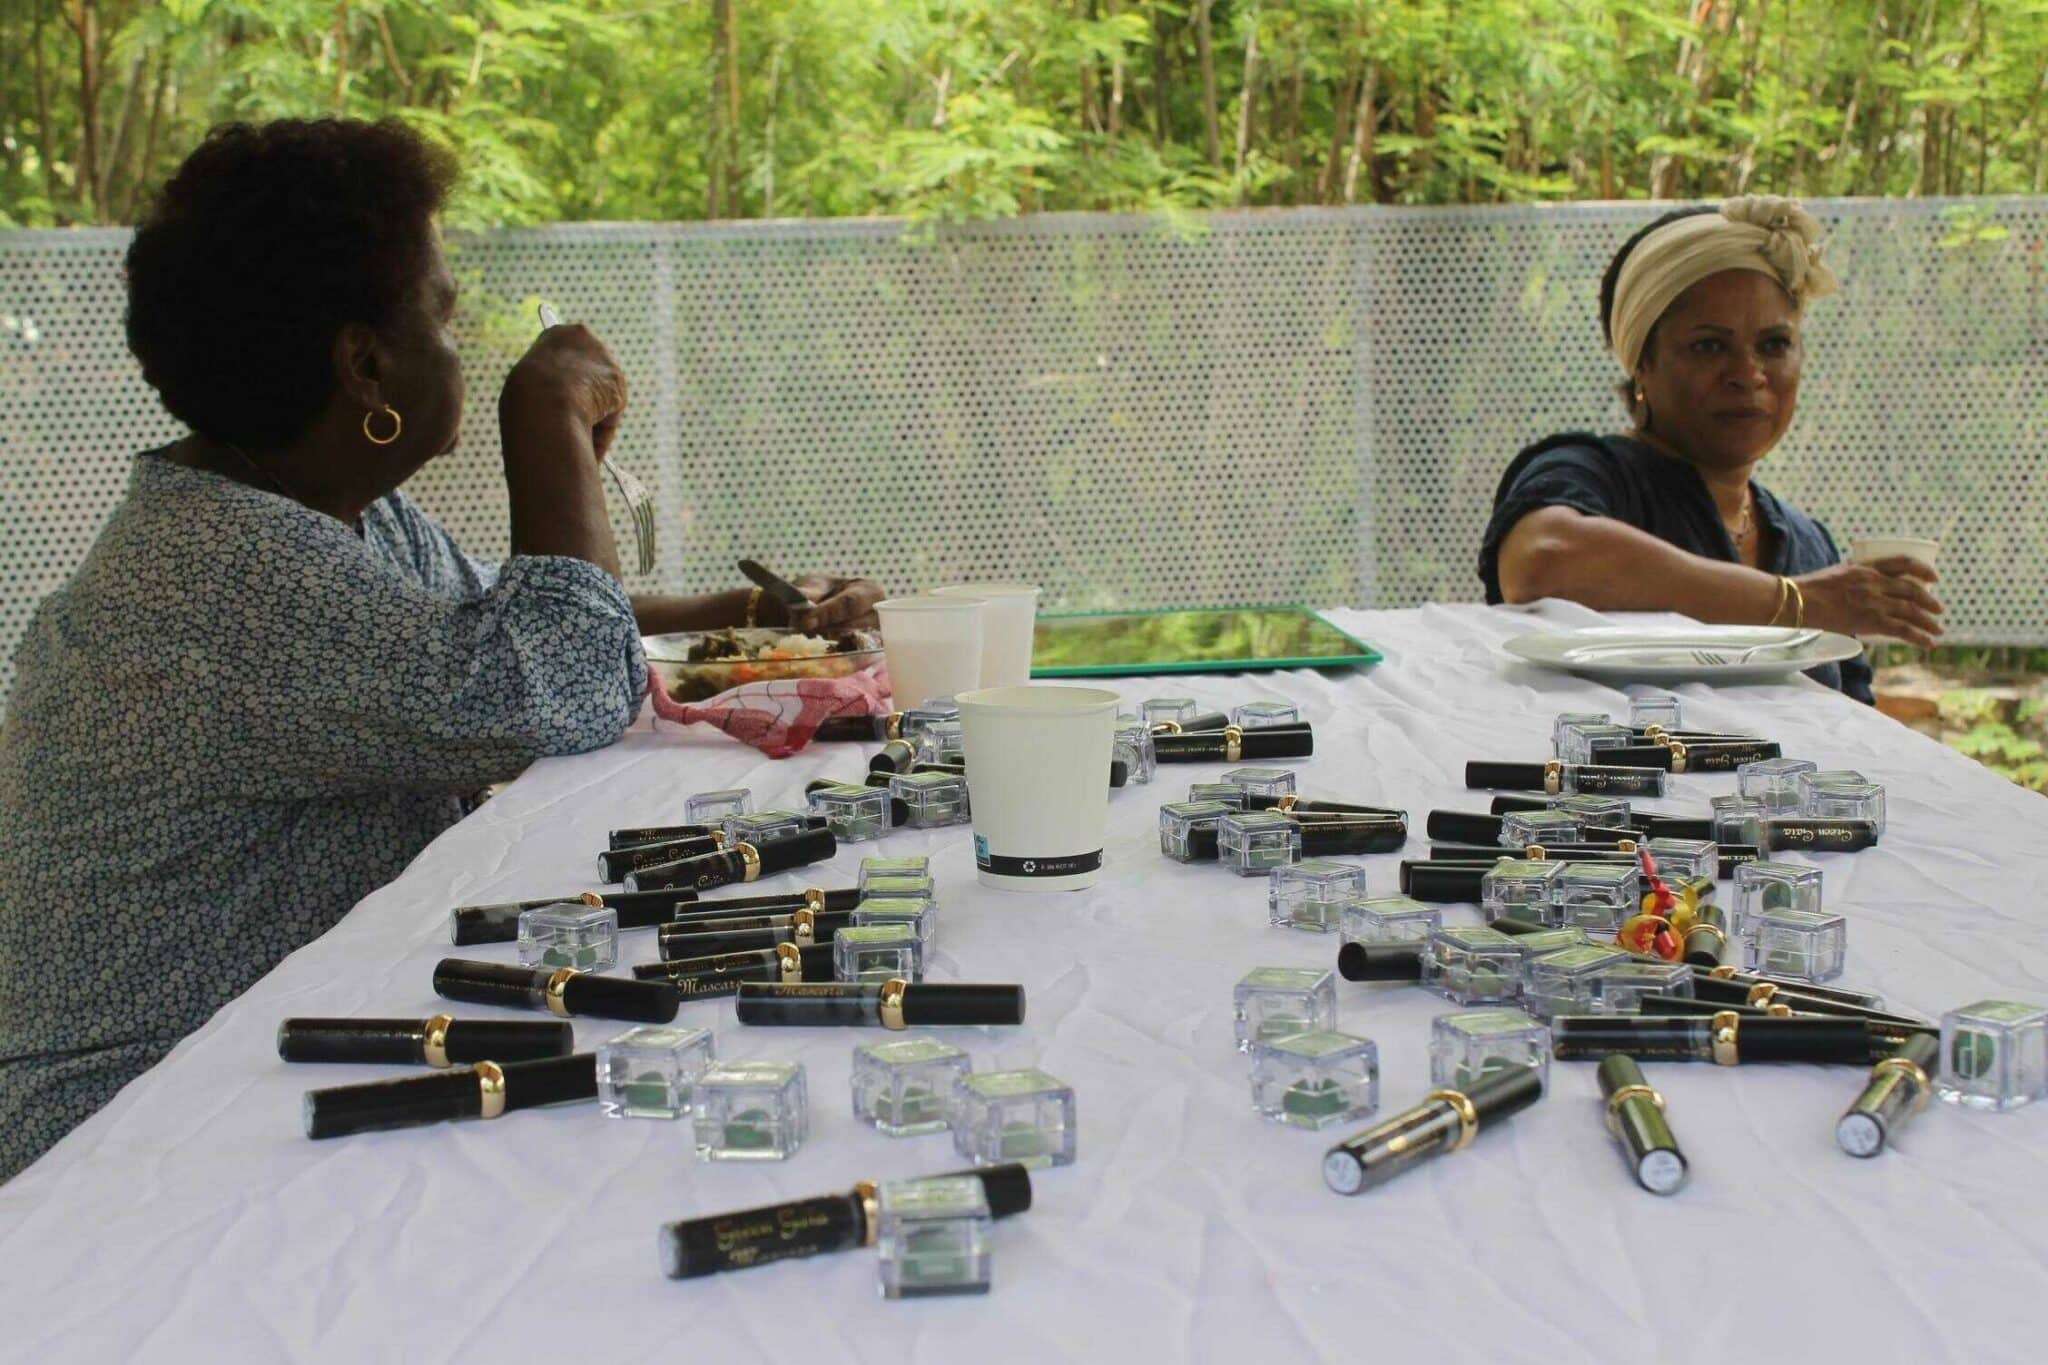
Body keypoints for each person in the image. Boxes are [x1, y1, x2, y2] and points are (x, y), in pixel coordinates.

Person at [0, 119, 881, 1181]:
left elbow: (501, 626)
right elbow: (556, 682)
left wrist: (756, 610)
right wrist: (546, 415)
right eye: (443, 318)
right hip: (126, 1138)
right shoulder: (220, 571)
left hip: (277, 1060)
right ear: (366, 365)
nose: (458, 348)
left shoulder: (321, 514)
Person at [1480, 196, 1943, 701]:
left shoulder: (1809, 545)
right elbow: (1541, 558)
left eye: (1773, 345)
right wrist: (1795, 603)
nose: (1748, 374)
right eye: (1708, 346)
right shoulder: (1595, 476)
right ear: (1643, 363)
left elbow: (1853, 724)